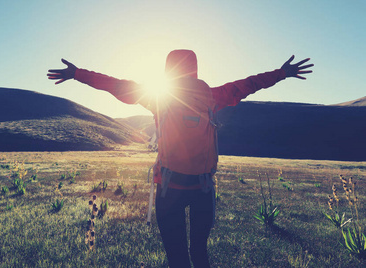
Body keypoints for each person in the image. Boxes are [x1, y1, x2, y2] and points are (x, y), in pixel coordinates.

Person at [47, 50, 313, 268]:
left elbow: (114, 85)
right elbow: (251, 84)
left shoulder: (158, 97)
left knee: (177, 257)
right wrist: (283, 73)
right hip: (203, 187)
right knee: (199, 251)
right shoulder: (212, 96)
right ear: (195, 70)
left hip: (168, 188)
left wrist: (76, 74)